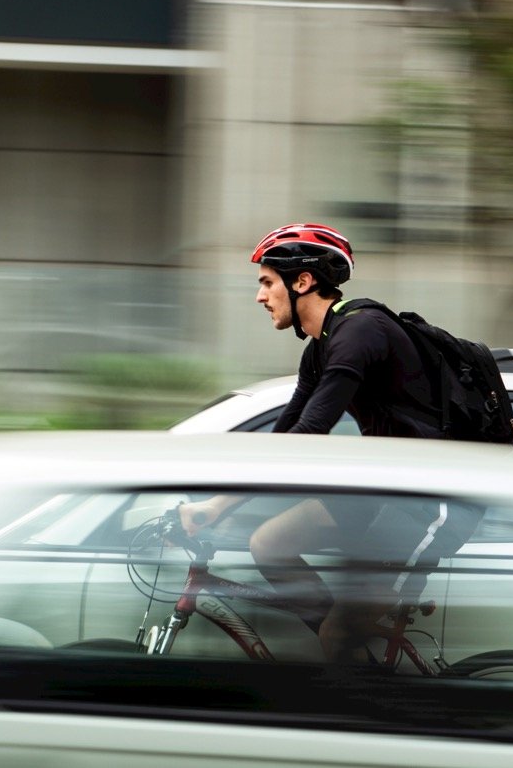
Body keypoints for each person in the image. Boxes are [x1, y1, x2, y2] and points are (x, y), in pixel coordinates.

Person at [178, 222, 481, 663]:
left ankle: (357, 679)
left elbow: (308, 436)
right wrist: (215, 499)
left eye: (266, 283)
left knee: (338, 635)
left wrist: (218, 506)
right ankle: (349, 649)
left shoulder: (360, 333)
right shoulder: (319, 349)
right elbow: (285, 431)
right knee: (270, 544)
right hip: (390, 489)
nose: (260, 296)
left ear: (302, 282)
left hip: (435, 497)